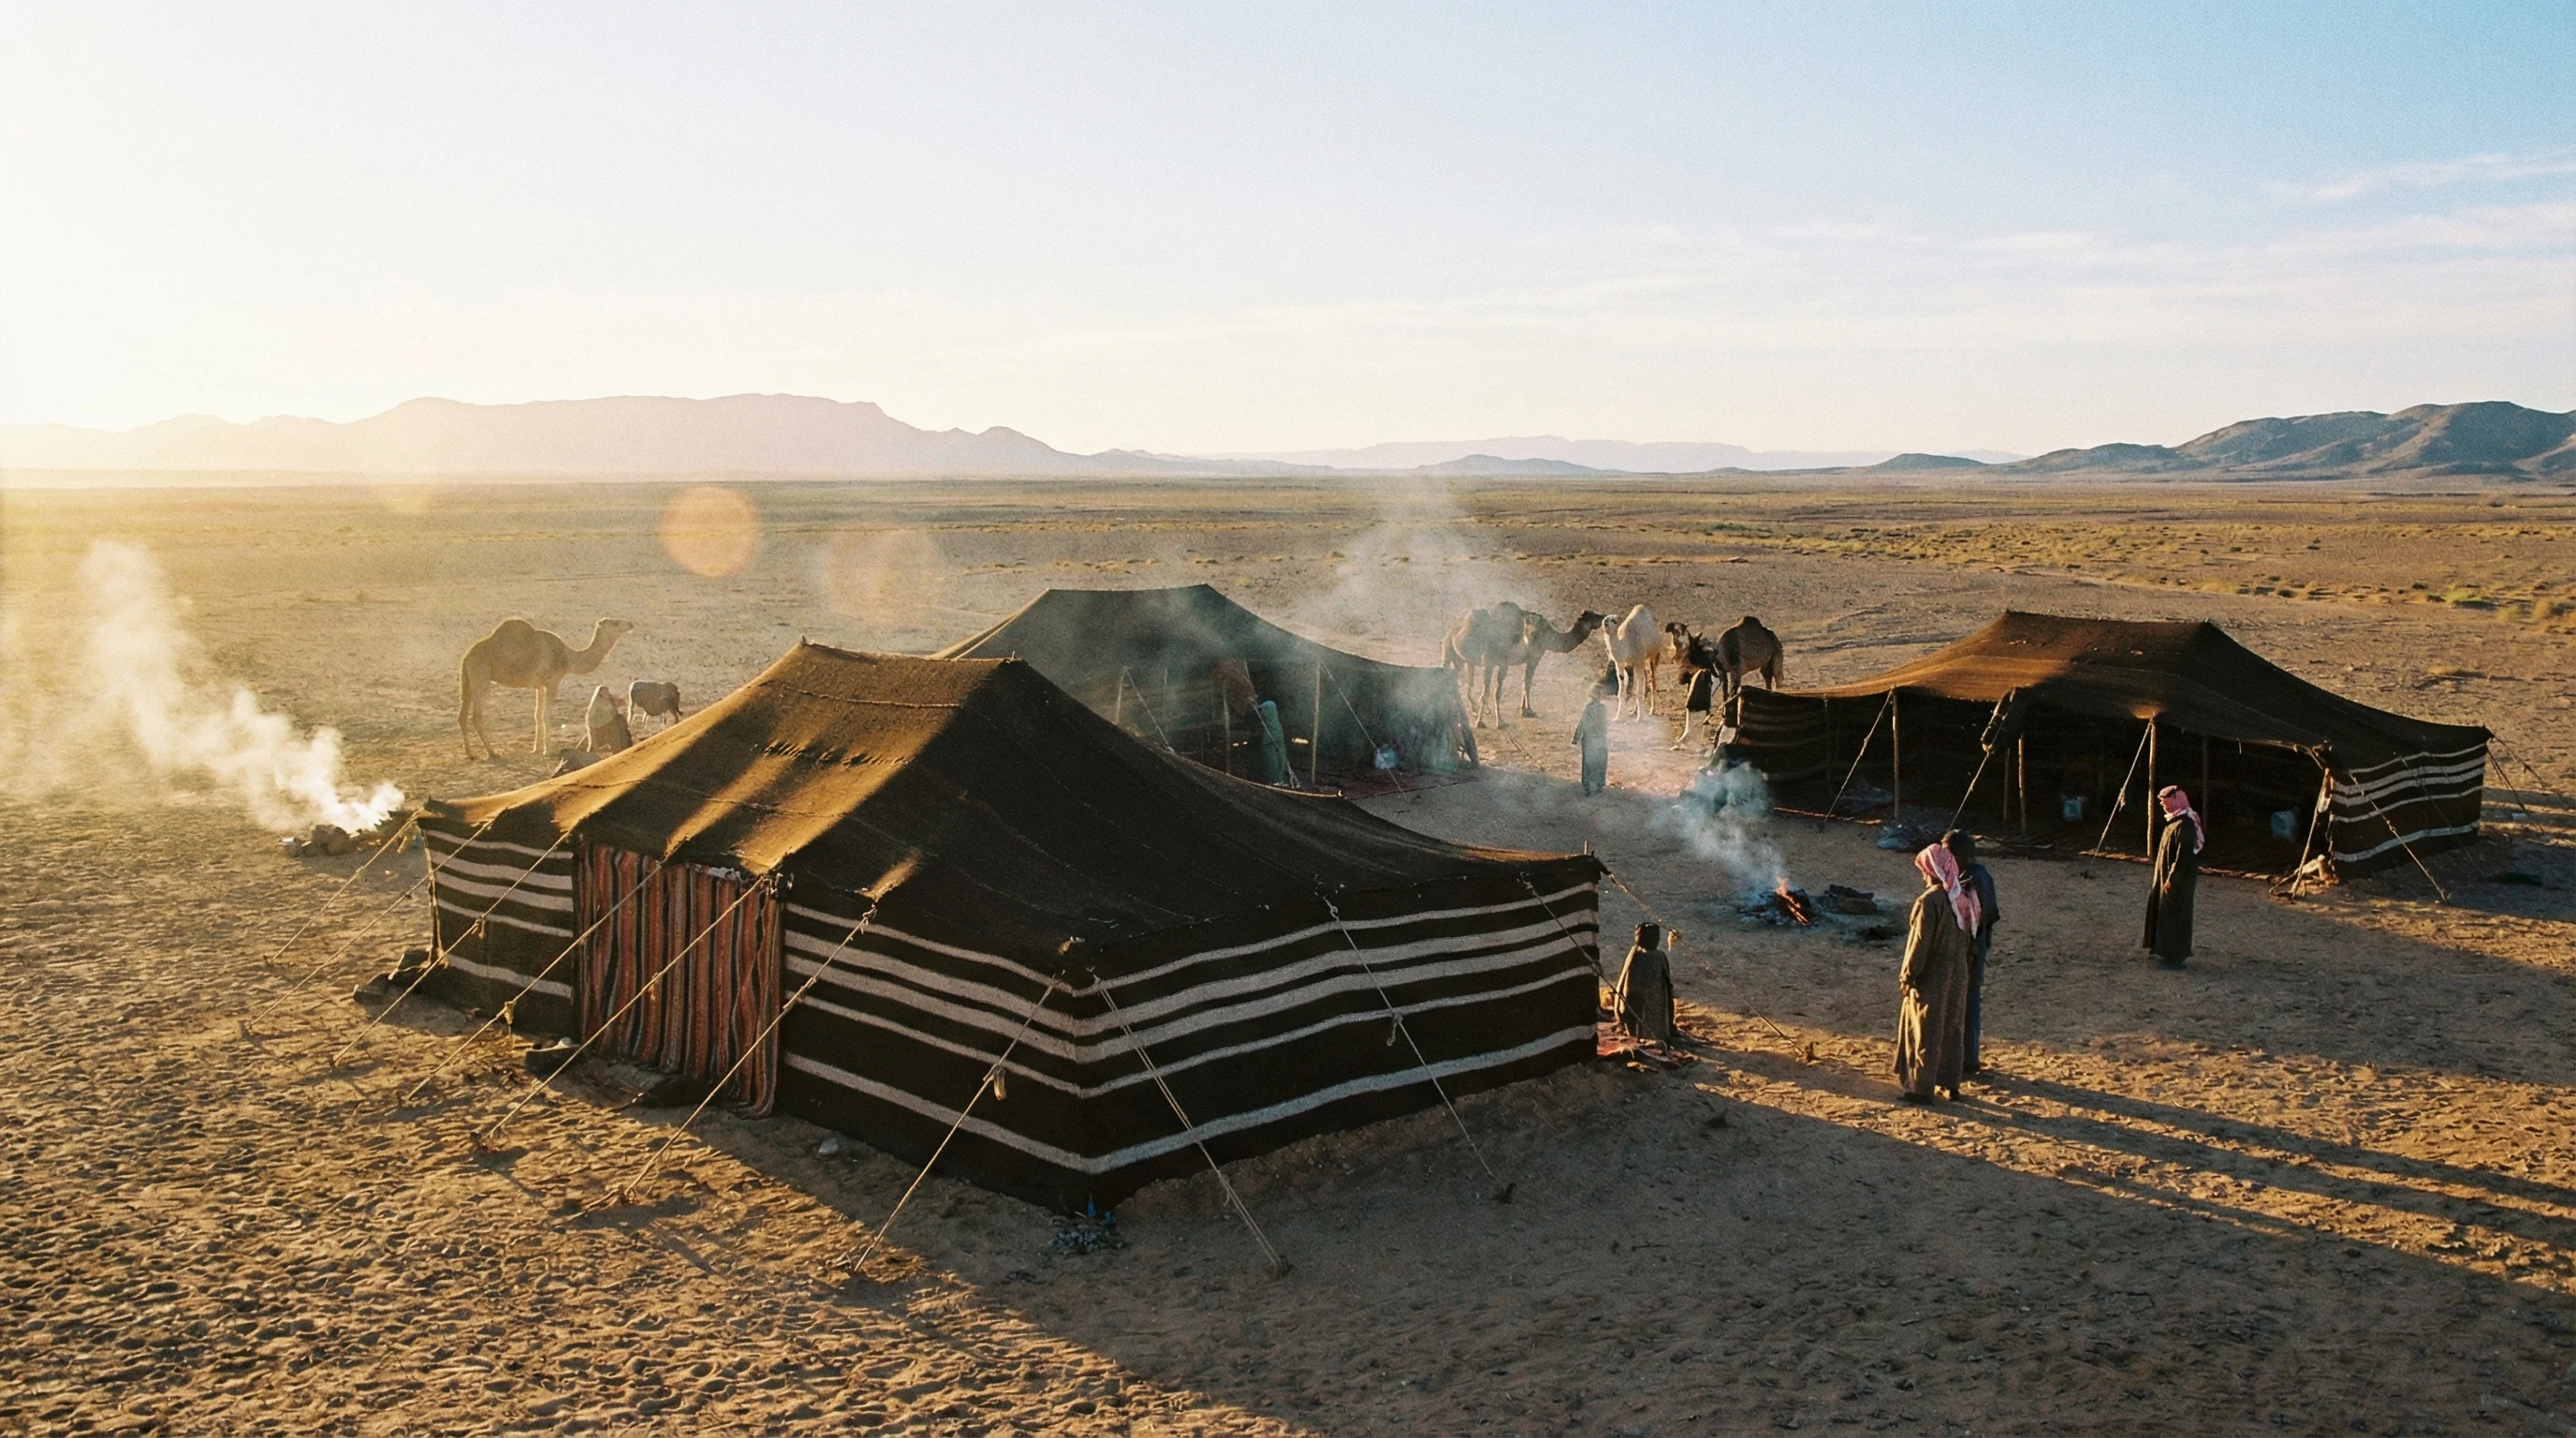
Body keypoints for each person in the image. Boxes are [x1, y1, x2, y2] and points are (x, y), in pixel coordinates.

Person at [1895, 842, 1977, 1103]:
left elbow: (1919, 943)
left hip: (1932, 975)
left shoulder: (1929, 902)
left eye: (1925, 869)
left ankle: (1921, 1089)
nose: (1922, 874)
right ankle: (1951, 1084)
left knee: (1925, 1029)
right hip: (1958, 974)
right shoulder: (1961, 899)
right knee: (1952, 1027)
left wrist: (1908, 975)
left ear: (1933, 871)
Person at [1941, 830, 2000, 1075]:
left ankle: (1966, 1058)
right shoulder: (1982, 874)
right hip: (1979, 943)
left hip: (1971, 946)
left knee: (1965, 1000)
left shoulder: (1969, 880)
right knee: (1970, 999)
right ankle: (1969, 1056)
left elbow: (1970, 918)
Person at [2144, 784, 2202, 969]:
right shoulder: (2176, 821)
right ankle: (2162, 949)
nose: (2163, 806)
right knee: (2164, 913)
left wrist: (2172, 880)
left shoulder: (2186, 824)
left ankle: (2175, 956)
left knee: (2175, 915)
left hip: (2179, 880)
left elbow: (2183, 857)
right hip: (2167, 876)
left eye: (2165, 802)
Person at [1613, 922, 1676, 1046]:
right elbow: (1668, 985)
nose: (1657, 940)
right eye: (1655, 938)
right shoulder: (1658, 957)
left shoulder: (1635, 954)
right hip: (1650, 1013)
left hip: (1636, 1010)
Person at [1573, 682, 1612, 796]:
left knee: (1590, 763)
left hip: (1590, 740)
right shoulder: (1601, 708)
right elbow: (1603, 725)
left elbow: (1582, 723)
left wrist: (1576, 738)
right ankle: (1598, 785)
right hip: (1597, 740)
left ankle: (1588, 787)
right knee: (1599, 762)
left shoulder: (1589, 707)